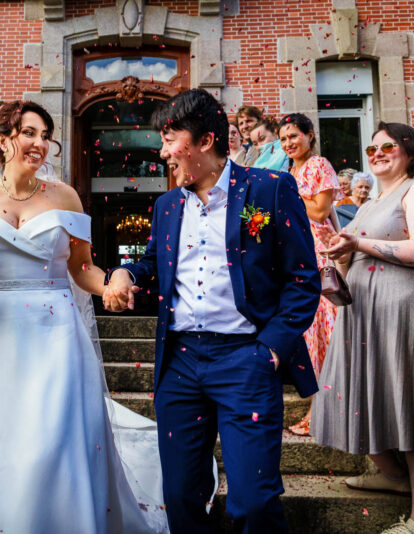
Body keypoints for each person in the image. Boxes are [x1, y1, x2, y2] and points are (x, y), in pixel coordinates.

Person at [0, 101, 170, 533]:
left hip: (54, 332)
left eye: (45, 135)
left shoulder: (64, 196)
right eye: (29, 133)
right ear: (3, 139)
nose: (39, 144)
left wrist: (110, 286)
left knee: (48, 439)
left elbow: (82, 269)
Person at [104, 89, 321, 534]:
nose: (162, 153)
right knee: (181, 496)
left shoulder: (270, 189)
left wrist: (270, 352)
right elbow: (153, 263)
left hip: (246, 359)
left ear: (205, 141)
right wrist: (127, 273)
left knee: (255, 502)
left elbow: (303, 279)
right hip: (180, 363)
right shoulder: (166, 205)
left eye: (170, 140)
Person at [312, 122, 414, 534]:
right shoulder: (371, 202)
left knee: (413, 411)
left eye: (388, 146)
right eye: (371, 148)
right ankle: (394, 477)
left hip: (403, 312)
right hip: (364, 316)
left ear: (410, 151)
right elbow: (360, 252)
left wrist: (358, 244)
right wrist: (340, 256)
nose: (376, 153)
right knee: (371, 401)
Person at [279, 113, 340, 436]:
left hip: (318, 253)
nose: (289, 143)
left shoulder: (319, 165)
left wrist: (287, 195)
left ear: (309, 135)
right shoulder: (291, 170)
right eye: (284, 138)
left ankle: (321, 413)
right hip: (296, 254)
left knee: (323, 335)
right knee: (308, 336)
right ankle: (319, 410)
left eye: (294, 136)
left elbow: (319, 210)